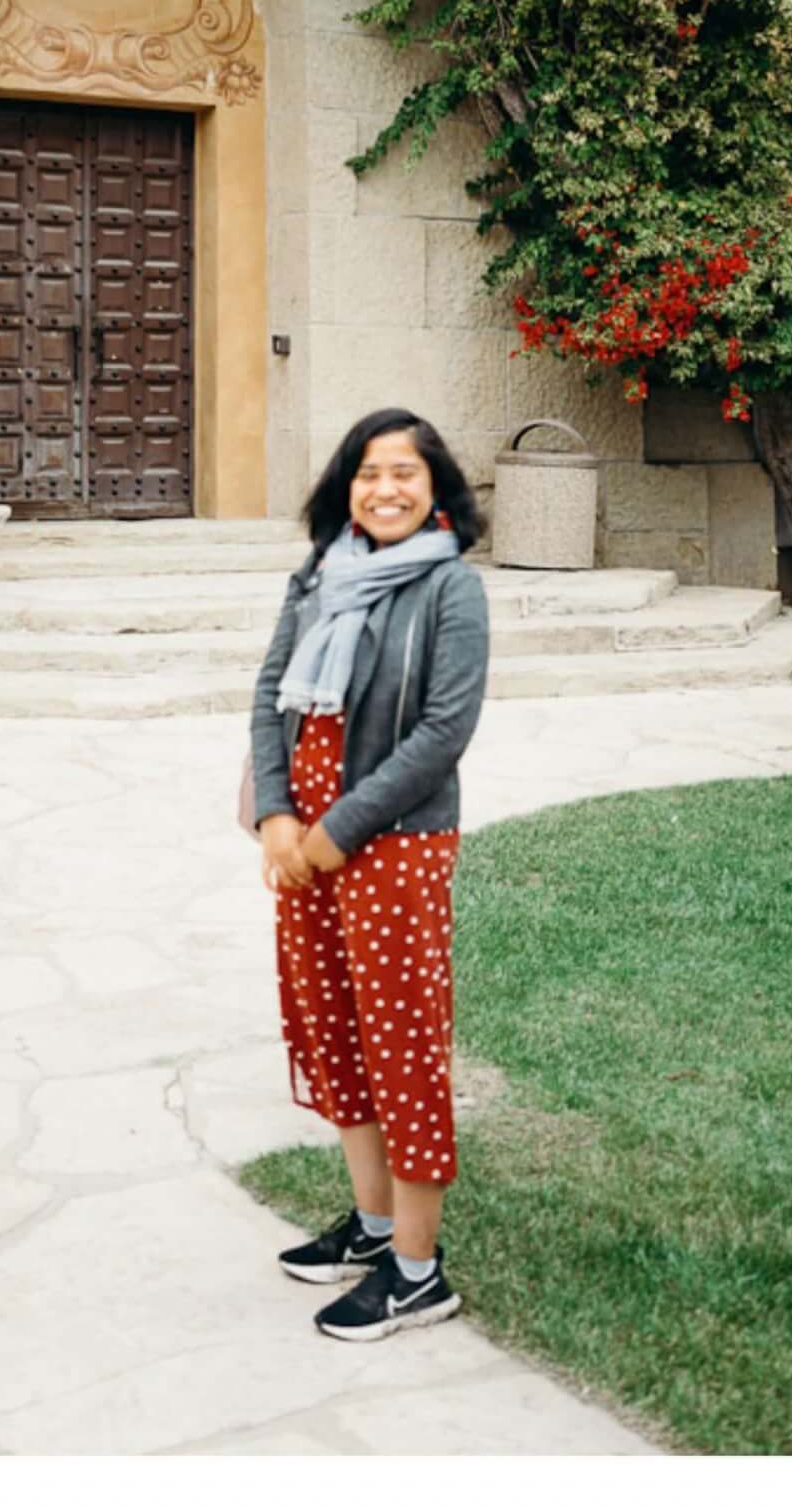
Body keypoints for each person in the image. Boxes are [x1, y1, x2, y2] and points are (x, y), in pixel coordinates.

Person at [247, 408, 490, 1340]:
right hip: (302, 850)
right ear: (345, 485)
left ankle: (419, 1273)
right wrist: (276, 815)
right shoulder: (318, 576)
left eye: (405, 474)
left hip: (393, 847)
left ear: (436, 492)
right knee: (336, 1031)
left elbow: (442, 733)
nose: (384, 489)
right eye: (367, 473)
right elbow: (273, 695)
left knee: (402, 1044)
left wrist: (336, 831)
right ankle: (374, 1227)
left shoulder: (451, 590)